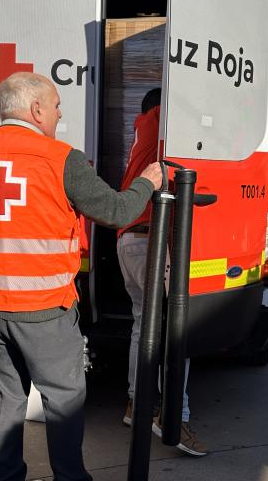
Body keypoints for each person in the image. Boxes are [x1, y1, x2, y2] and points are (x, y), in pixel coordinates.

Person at [0, 72, 163, 481]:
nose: (58, 113)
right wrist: (147, 182)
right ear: (36, 109)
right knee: (63, 398)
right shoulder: (60, 159)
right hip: (45, 310)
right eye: (56, 106)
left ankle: (5, 476)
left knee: (1, 399)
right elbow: (118, 212)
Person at [116, 88, 207, 457]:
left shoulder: (142, 139)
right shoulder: (157, 123)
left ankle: (136, 404)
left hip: (127, 241)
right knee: (176, 330)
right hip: (148, 241)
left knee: (143, 324)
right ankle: (173, 416)